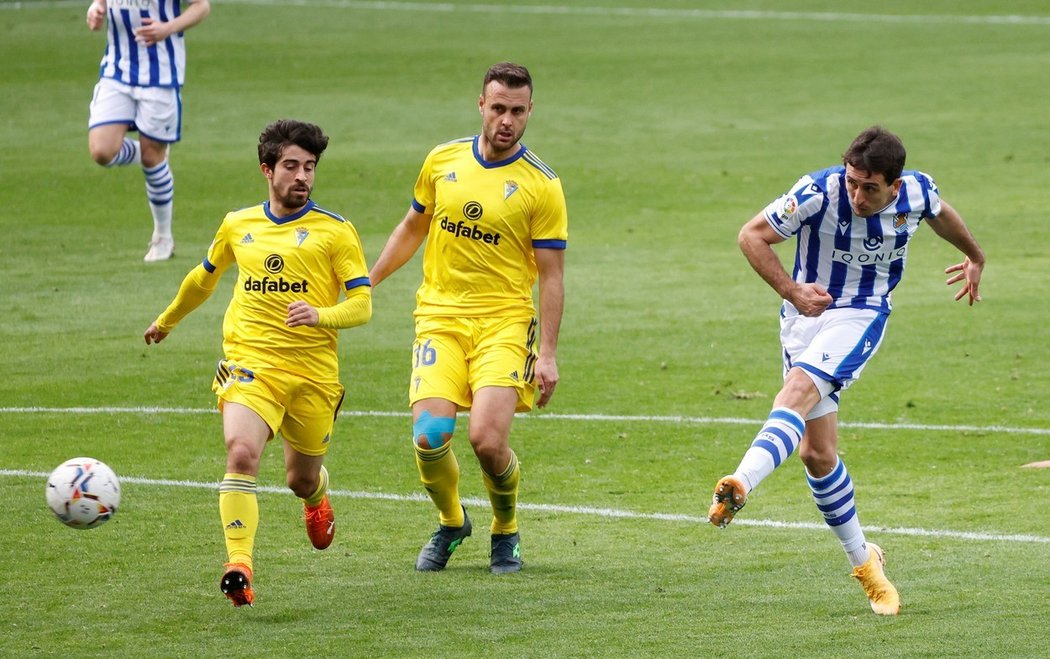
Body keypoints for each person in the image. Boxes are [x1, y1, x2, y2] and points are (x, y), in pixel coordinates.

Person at [707, 126, 985, 616]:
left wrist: (974, 256)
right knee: (817, 454)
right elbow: (751, 235)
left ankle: (741, 482)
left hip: (860, 314)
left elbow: (941, 215)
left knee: (794, 392)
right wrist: (791, 291)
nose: (857, 195)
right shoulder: (817, 191)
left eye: (869, 187)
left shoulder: (916, 191)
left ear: (894, 186)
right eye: (853, 182)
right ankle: (867, 563)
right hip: (803, 317)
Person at [144, 120, 372, 607]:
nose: (302, 176)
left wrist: (321, 314)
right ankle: (239, 565)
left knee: (299, 478)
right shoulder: (238, 225)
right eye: (291, 166)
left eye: (309, 167)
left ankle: (316, 498)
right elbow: (203, 279)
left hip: (313, 375)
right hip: (250, 363)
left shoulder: (335, 232)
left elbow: (363, 304)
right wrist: (167, 321)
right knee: (242, 454)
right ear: (267, 169)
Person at [369, 62, 567, 575]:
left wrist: (547, 354)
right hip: (439, 318)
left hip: (503, 322)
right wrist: (369, 280)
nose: (506, 120)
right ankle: (453, 521)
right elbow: (413, 228)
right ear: (480, 104)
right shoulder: (443, 161)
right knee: (430, 436)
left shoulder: (541, 186)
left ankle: (506, 529)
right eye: (498, 108)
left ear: (530, 113)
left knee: (486, 439)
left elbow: (551, 275)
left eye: (517, 111)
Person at [86, 0, 211, 262]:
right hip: (117, 71)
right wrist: (96, 8)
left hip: (161, 75)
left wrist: (168, 28)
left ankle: (163, 238)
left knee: (152, 157)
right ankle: (150, 155)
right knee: (101, 151)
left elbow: (201, 6)